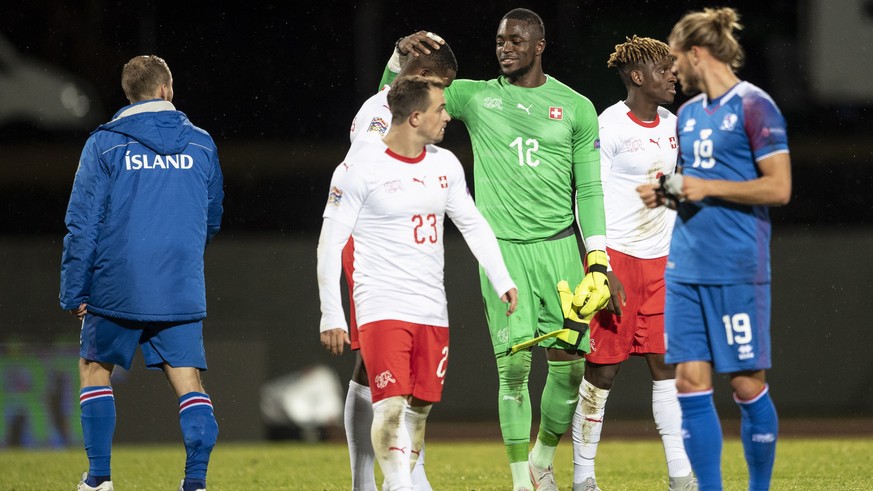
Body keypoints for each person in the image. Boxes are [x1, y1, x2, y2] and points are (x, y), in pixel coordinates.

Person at [391, 9, 611, 491]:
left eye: (515, 40)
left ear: (539, 46)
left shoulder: (576, 107)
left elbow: (590, 190)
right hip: (503, 252)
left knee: (571, 370)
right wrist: (398, 57)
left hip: (560, 252)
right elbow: (398, 99)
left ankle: (542, 460)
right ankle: (520, 482)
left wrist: (598, 257)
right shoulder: (476, 96)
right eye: (498, 40)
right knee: (512, 370)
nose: (504, 47)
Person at [317, 74, 519, 491]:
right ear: (414, 117)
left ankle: (399, 480)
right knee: (389, 408)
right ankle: (398, 483)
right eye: (440, 109)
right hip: (380, 306)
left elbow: (473, 224)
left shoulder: (444, 164)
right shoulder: (358, 168)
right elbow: (329, 243)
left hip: (431, 307)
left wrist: (502, 278)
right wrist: (331, 313)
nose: (447, 116)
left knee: (419, 410)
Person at [637, 7, 790, 491]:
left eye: (676, 58)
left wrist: (705, 188)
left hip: (736, 266)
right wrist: (668, 191)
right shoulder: (686, 116)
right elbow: (693, 185)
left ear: (697, 53)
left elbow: (779, 188)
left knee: (746, 384)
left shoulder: (754, 106)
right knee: (688, 384)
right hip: (684, 267)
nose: (673, 69)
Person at [60, 55, 224, 491]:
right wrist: (181, 257)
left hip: (119, 279)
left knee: (95, 368)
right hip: (179, 280)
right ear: (167, 89)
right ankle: (195, 481)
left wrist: (75, 289)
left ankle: (98, 480)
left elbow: (83, 222)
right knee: (188, 381)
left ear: (129, 94)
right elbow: (212, 218)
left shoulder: (106, 143)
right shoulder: (203, 143)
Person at [571, 36, 696, 491]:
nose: (673, 77)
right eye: (664, 70)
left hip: (663, 261)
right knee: (603, 371)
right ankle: (583, 477)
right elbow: (588, 196)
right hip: (618, 260)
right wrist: (598, 263)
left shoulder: (673, 123)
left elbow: (674, 186)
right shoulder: (608, 126)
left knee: (667, 365)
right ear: (638, 76)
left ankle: (680, 475)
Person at [341, 33, 457, 491]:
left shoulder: (384, 100)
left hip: (394, 238)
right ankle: (393, 478)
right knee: (390, 363)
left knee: (376, 367)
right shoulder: (380, 114)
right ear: (422, 76)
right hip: (377, 241)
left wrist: (395, 59)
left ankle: (382, 479)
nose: (439, 102)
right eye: (437, 86)